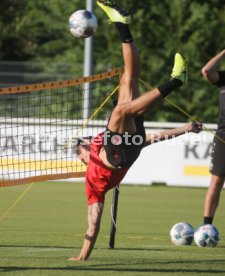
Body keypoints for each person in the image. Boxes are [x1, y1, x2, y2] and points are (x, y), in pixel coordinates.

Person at [69, 0, 202, 261]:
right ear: (82, 158)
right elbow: (93, 223)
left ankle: (122, 25)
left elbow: (151, 138)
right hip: (118, 158)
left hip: (128, 147)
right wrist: (82, 256)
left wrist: (186, 128)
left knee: (128, 78)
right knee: (121, 111)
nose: (84, 143)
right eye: (81, 146)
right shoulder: (91, 185)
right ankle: (175, 81)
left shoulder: (97, 139)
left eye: (82, 143)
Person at [201, 49, 225, 225]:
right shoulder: (223, 78)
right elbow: (206, 71)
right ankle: (206, 226)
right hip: (223, 137)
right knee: (216, 181)